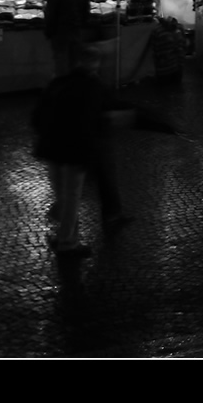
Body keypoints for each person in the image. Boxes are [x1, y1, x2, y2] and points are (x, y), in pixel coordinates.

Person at [32, 51, 130, 253]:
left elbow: (37, 116)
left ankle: (64, 232)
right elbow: (91, 122)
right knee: (72, 196)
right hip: (73, 150)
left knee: (63, 194)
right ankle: (67, 241)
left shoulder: (58, 83)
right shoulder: (93, 87)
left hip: (51, 147)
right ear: (94, 66)